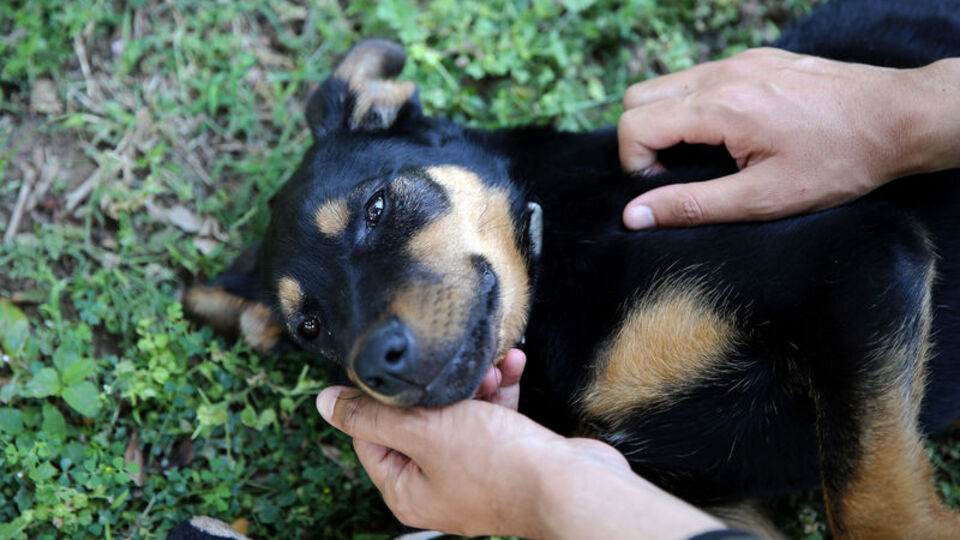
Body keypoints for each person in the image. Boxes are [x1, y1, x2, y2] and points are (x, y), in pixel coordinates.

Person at [316, 49, 960, 539]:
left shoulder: (619, 256)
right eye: (313, 327)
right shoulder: (531, 419)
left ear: (406, 128)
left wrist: (885, 522)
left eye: (377, 212)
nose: (374, 334)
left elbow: (872, 261)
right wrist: (545, 488)